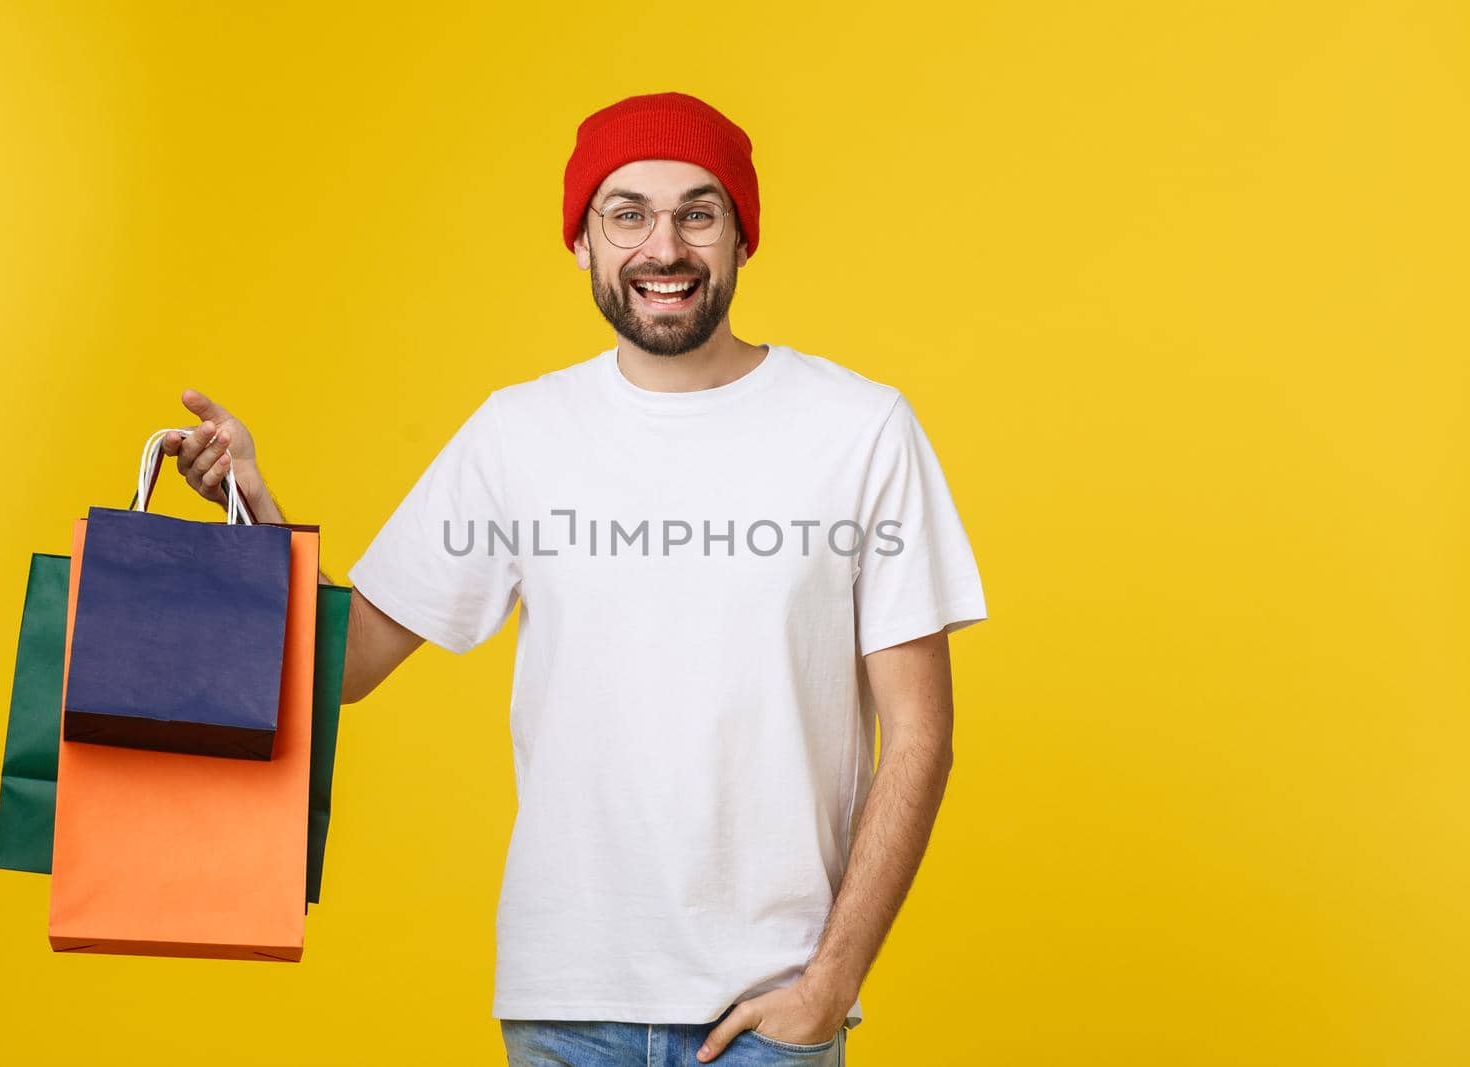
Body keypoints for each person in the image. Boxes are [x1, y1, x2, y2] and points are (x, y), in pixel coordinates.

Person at [160, 91, 988, 1067]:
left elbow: (920, 732)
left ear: (741, 237)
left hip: (773, 1005)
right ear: (583, 245)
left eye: (697, 211)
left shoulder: (858, 429)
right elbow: (346, 663)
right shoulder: (520, 433)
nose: (663, 247)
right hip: (566, 1006)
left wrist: (829, 986)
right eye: (626, 214)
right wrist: (255, 502)